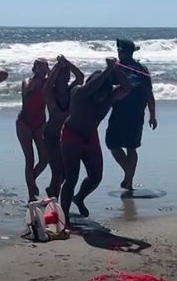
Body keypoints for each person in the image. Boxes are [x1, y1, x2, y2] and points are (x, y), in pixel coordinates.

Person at [58, 59, 130, 224]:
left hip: (90, 137)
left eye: (104, 92)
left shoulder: (109, 97)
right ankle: (65, 217)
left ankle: (79, 198)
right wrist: (107, 71)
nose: (101, 96)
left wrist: (116, 69)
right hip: (71, 136)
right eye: (98, 91)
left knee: (96, 176)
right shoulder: (79, 92)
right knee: (71, 178)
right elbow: (90, 88)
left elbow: (127, 88)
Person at [105, 39, 158, 192]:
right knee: (130, 146)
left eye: (119, 50)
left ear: (122, 51)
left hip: (123, 111)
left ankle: (128, 174)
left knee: (113, 144)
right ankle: (129, 178)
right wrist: (152, 115)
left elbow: (107, 88)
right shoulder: (142, 68)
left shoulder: (118, 68)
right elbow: (150, 94)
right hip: (136, 112)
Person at [44, 56, 85, 198]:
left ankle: (51, 192)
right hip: (51, 136)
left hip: (65, 138)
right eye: (63, 73)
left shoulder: (72, 91)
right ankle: (54, 202)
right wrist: (58, 67)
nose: (65, 76)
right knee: (57, 172)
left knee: (65, 175)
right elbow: (48, 84)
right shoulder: (50, 92)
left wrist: (67, 63)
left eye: (67, 74)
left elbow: (80, 77)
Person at [16, 58, 52, 200]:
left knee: (44, 159)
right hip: (24, 122)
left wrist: (49, 73)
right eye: (40, 68)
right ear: (35, 68)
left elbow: (57, 80)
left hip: (40, 123)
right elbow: (27, 91)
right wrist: (38, 77)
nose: (43, 71)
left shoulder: (48, 83)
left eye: (45, 68)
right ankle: (31, 195)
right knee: (29, 159)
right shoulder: (28, 81)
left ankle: (32, 180)